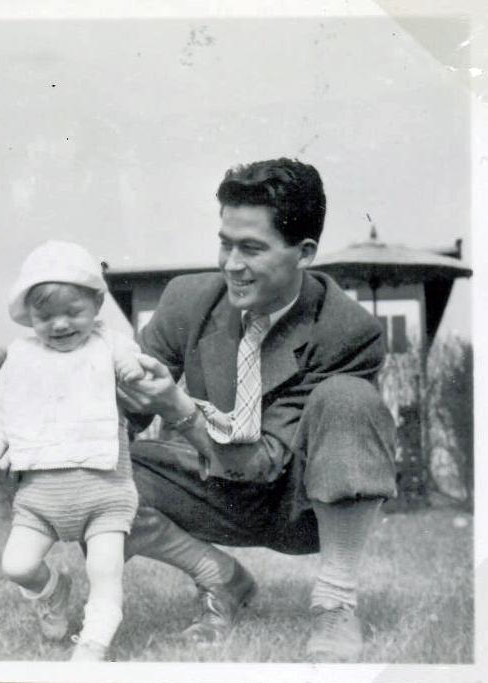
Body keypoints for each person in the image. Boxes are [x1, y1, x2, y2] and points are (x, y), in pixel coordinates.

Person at [117, 158, 398, 663]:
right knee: (82, 464)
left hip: (301, 504)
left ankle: (335, 603)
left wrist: (179, 409)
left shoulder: (348, 330)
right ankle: (219, 578)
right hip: (212, 488)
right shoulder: (186, 300)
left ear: (304, 252)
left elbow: (266, 462)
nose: (231, 264)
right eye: (225, 243)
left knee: (350, 399)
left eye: (251, 248)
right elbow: (117, 412)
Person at [0, 240, 143, 662]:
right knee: (17, 565)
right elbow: (1, 411)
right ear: (29, 316)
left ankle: (94, 643)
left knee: (105, 571)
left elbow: (131, 359)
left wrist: (131, 368)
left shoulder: (109, 344)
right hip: (41, 495)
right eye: (45, 317)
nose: (59, 324)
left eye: (72, 312)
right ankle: (53, 592)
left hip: (105, 489)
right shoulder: (22, 356)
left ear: (96, 303)